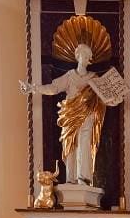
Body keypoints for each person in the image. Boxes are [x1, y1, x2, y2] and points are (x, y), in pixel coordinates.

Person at [20, 44, 109, 185]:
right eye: (84, 55)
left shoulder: (94, 78)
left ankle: (83, 178)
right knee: (70, 144)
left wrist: (113, 99)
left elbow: (105, 98)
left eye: (88, 56)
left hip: (87, 115)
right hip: (70, 115)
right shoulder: (70, 76)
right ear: (78, 56)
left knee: (84, 144)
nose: (86, 58)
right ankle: (71, 178)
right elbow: (54, 88)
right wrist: (33, 88)